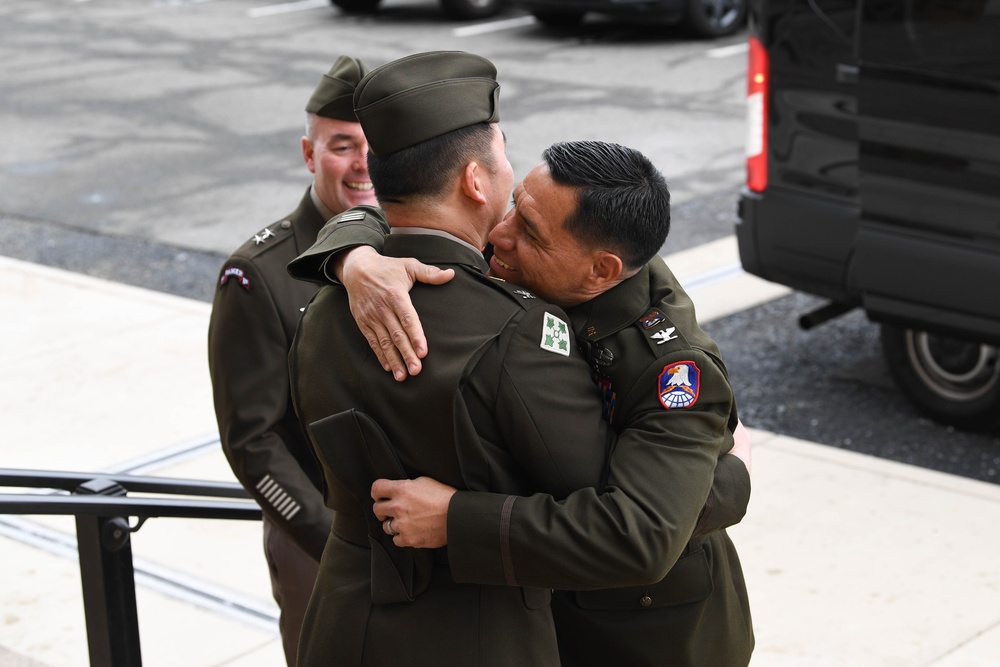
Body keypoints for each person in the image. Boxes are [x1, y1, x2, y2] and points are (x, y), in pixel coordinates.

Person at [289, 141, 754, 665]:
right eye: (512, 205)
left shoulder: (671, 371)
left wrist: (455, 520)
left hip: (647, 638)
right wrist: (355, 259)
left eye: (530, 233)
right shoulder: (567, 229)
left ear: (601, 270)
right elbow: (405, 205)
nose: (500, 234)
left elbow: (643, 533)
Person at [287, 51, 624, 667]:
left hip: (341, 627)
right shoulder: (517, 330)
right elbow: (603, 505)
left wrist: (349, 255)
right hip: (474, 637)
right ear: (475, 179)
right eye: (503, 154)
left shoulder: (328, 305)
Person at [206, 54, 409, 667]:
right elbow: (252, 438)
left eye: (374, 146)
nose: (361, 164)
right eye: (342, 145)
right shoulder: (259, 275)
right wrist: (329, 535)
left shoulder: (412, 244)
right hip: (318, 533)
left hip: (420, 531)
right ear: (308, 153)